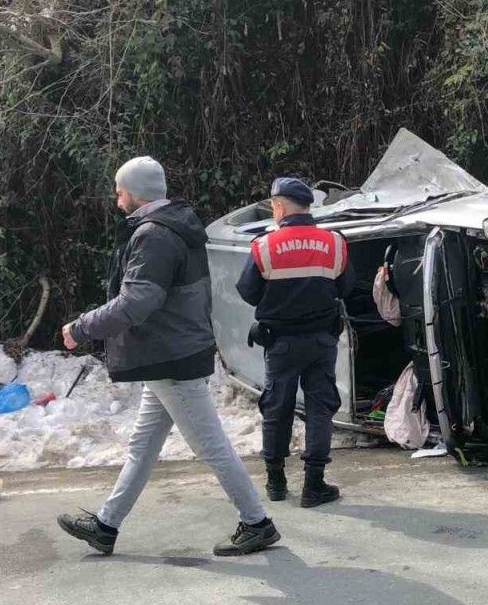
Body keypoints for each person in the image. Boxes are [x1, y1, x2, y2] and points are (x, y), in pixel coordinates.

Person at [56, 156, 277, 557]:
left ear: (135, 193)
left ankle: (257, 522)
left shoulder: (154, 235)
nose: (117, 199)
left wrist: (82, 327)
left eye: (119, 191)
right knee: (142, 446)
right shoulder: (173, 224)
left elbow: (137, 301)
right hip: (169, 352)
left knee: (210, 445)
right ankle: (106, 525)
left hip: (171, 355)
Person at [238, 177, 355, 508]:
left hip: (281, 343)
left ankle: (276, 483)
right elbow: (346, 287)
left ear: (279, 206)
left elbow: (248, 291)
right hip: (322, 341)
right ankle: (314, 486)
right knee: (320, 408)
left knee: (277, 407)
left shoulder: (264, 245)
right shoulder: (334, 242)